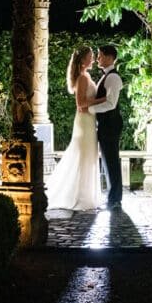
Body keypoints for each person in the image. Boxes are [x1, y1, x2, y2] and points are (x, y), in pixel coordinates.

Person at [46, 46, 105, 211]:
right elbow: (81, 105)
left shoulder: (85, 76)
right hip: (84, 123)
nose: (93, 59)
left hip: (88, 121)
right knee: (83, 156)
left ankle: (85, 194)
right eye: (91, 56)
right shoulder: (83, 79)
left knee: (87, 156)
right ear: (83, 60)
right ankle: (79, 196)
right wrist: (102, 100)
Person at [89, 44, 124, 209]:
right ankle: (113, 196)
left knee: (111, 160)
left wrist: (89, 109)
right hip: (106, 124)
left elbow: (111, 103)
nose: (97, 59)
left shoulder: (113, 78)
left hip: (110, 124)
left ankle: (115, 198)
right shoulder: (106, 76)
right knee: (108, 160)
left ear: (110, 57)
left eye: (100, 55)